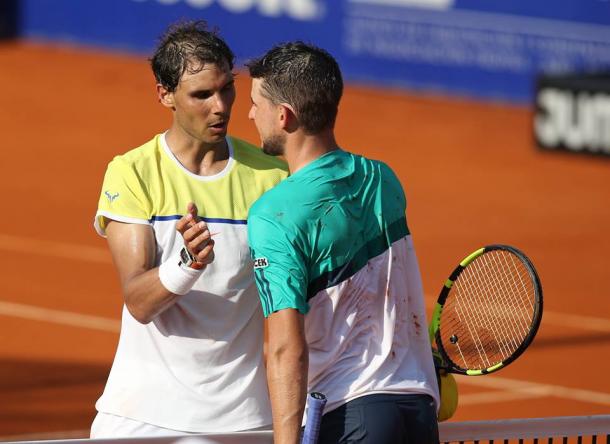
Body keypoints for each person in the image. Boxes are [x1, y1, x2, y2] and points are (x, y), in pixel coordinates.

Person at [91, 21, 287, 437]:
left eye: (226, 89)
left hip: (239, 425)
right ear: (165, 95)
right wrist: (186, 263)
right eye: (201, 95)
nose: (220, 106)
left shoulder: (272, 177)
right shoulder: (133, 173)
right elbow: (139, 301)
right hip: (141, 418)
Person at [246, 42, 440, 444]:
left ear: (284, 116)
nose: (249, 114)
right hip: (417, 411)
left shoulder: (275, 215)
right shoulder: (383, 179)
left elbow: (286, 349)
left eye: (255, 104)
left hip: (351, 414)